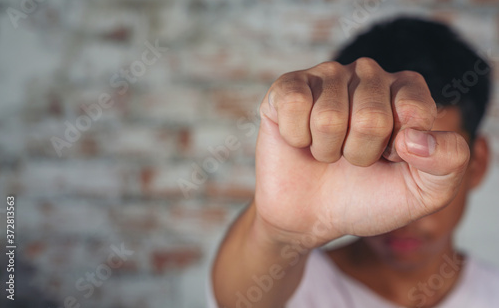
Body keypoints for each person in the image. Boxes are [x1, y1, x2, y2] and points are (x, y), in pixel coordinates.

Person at [207, 16, 499, 307]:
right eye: (381, 158)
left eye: (426, 164)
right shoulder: (287, 283)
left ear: (478, 163)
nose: (406, 216)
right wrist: (282, 235)